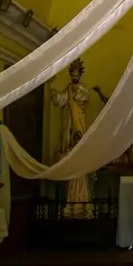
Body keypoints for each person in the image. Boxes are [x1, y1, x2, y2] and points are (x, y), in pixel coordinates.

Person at [51, 59, 99, 219]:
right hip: (69, 122)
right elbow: (61, 99)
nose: (75, 78)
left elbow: (84, 98)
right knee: (67, 141)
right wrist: (53, 93)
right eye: (73, 75)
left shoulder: (82, 90)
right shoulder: (68, 88)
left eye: (77, 75)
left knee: (79, 135)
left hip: (78, 120)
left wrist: (75, 98)